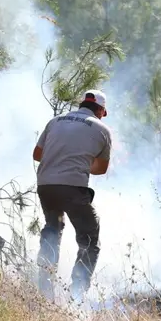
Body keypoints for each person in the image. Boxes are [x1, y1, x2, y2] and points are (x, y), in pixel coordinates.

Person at [32, 89, 112, 301]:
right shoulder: (102, 129)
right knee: (89, 240)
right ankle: (77, 296)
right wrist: (82, 161)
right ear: (101, 110)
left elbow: (37, 154)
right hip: (73, 189)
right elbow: (100, 169)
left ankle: (44, 290)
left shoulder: (55, 121)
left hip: (46, 186)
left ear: (81, 105)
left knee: (52, 230)